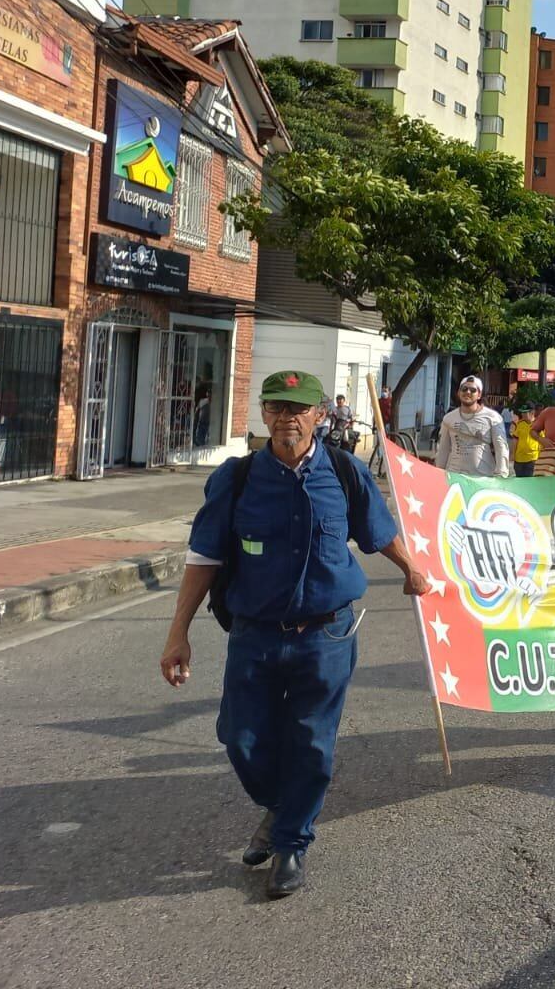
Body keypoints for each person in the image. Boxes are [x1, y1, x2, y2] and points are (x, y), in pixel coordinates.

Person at [158, 370, 427, 897]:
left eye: (298, 408)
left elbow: (380, 533)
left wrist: (410, 569)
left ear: (320, 416)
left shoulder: (346, 472)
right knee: (241, 738)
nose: (287, 418)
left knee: (311, 743)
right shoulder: (236, 479)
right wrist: (177, 634)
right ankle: (281, 807)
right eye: (277, 408)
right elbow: (204, 557)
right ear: (263, 414)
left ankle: (290, 843)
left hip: (325, 636)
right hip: (255, 635)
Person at [434, 375, 512, 477]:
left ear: (479, 395)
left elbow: (501, 448)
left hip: (483, 478)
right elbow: (443, 449)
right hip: (454, 476)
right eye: (464, 389)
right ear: (458, 393)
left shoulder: (493, 418)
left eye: (473, 390)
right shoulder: (448, 418)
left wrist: (501, 474)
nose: (468, 392)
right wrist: (438, 474)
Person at [511, 404, 540, 478]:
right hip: (519, 459)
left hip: (532, 459)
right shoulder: (519, 424)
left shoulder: (539, 424)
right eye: (522, 412)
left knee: (530, 483)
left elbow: (542, 442)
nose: (523, 414)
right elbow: (515, 440)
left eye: (525, 412)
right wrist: (512, 454)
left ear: (532, 412)